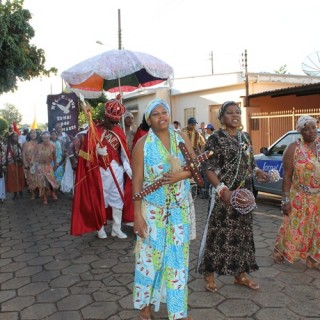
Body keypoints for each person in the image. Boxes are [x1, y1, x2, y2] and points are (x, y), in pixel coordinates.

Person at [132, 98, 195, 320]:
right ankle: (144, 306)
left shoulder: (182, 138)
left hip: (179, 211)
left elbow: (196, 168)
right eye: (156, 114)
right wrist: (137, 217)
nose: (162, 117)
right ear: (148, 120)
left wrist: (183, 174)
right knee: (149, 261)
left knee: (177, 262)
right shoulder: (142, 145)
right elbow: (137, 182)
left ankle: (178, 311)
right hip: (152, 211)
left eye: (164, 112)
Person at [197, 101, 269, 292]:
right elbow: (208, 167)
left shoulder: (245, 137)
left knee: (242, 235)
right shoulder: (215, 139)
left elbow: (249, 163)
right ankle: (210, 274)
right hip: (224, 195)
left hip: (243, 196)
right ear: (221, 118)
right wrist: (222, 190)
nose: (235, 115)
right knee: (218, 234)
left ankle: (241, 274)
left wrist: (257, 171)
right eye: (229, 113)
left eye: (237, 112)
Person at [71, 97, 134, 239]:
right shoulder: (94, 130)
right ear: (105, 118)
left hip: (117, 170)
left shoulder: (119, 130)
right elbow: (83, 154)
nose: (114, 124)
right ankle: (100, 227)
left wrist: (127, 166)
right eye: (112, 122)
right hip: (101, 171)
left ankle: (116, 229)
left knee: (118, 198)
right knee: (101, 199)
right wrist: (96, 152)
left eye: (117, 122)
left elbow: (123, 152)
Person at [273, 115, 320, 269]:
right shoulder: (293, 148)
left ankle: (313, 257)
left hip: (318, 197)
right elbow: (286, 176)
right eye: (306, 129)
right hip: (299, 196)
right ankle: (279, 250)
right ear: (300, 131)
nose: (311, 131)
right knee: (292, 226)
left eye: (313, 127)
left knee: (316, 228)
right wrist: (285, 200)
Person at [32, 131, 60, 204]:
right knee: (42, 182)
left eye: (47, 138)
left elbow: (54, 156)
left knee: (52, 181)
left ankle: (53, 193)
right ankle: (44, 198)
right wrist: (34, 165)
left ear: (49, 138)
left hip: (48, 165)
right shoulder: (38, 146)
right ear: (42, 138)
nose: (46, 140)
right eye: (44, 138)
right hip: (40, 166)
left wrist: (55, 164)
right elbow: (34, 156)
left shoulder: (53, 146)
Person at [4, 132, 25, 200]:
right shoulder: (8, 146)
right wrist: (11, 159)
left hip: (19, 164)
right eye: (14, 136)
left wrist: (20, 159)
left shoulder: (19, 144)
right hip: (12, 164)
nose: (15, 138)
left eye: (16, 136)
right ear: (11, 138)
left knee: (20, 177)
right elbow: (5, 156)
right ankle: (15, 193)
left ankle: (21, 190)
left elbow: (22, 153)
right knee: (13, 179)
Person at [22, 129, 40, 199]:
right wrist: (25, 163)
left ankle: (39, 192)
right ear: (29, 135)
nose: (33, 135)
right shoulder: (26, 143)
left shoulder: (39, 143)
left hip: (38, 164)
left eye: (34, 133)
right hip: (29, 165)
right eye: (31, 133)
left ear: (37, 134)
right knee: (30, 179)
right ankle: (32, 194)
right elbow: (23, 154)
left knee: (38, 179)